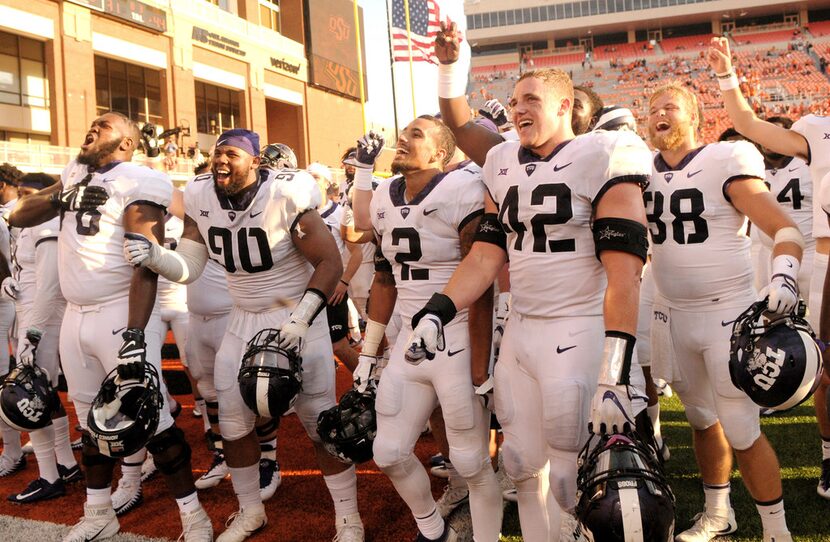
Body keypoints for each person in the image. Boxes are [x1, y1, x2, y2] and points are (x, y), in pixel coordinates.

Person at [409, 22, 652, 541]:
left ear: (565, 107)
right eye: (514, 100)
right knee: (520, 464)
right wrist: (439, 309)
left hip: (580, 326)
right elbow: (486, 253)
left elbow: (625, 273)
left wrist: (614, 370)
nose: (518, 108)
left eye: (531, 99)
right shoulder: (500, 161)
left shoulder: (604, 153)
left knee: (570, 476)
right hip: (522, 329)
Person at [123, 128, 365, 542]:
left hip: (296, 316)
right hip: (243, 319)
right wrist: (158, 257)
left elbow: (329, 262)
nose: (220, 160)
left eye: (231, 154)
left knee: (318, 420)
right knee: (232, 423)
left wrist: (303, 317)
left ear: (255, 162)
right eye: (217, 153)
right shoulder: (200, 194)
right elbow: (192, 266)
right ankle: (251, 510)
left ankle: (348, 517)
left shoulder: (285, 194)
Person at [9, 111, 212, 541]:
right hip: (76, 314)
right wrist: (63, 192)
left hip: (121, 312)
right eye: (93, 121)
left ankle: (193, 516)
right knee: (89, 423)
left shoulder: (138, 179)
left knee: (151, 419)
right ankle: (98, 511)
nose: (92, 125)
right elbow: (19, 214)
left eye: (104, 124)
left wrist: (137, 335)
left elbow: (145, 262)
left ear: (125, 143)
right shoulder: (75, 173)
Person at [645, 83, 800, 542]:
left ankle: (777, 530)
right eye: (652, 108)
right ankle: (718, 513)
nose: (659, 114)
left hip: (727, 314)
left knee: (741, 427)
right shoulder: (637, 170)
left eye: (670, 107)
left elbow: (784, 227)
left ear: (695, 117)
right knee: (698, 417)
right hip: (673, 313)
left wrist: (786, 273)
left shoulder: (723, 160)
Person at [355, 115, 501, 542]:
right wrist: (369, 352)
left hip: (455, 333)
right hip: (409, 341)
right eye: (402, 133)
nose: (401, 139)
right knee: (389, 451)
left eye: (414, 135)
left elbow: (482, 280)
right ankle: (434, 531)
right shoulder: (384, 194)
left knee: (472, 461)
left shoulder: (462, 191)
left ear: (440, 151)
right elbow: (384, 280)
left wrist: (480, 363)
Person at [707, 36, 830, 501]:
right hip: (823, 260)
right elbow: (746, 123)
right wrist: (726, 77)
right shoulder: (818, 130)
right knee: (828, 367)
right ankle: (829, 455)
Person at [4, 172, 82, 503]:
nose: (24, 200)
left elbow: (49, 283)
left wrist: (32, 333)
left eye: (28, 193)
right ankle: (64, 463)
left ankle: (49, 476)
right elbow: (28, 271)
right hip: (31, 311)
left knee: (29, 392)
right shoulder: (24, 225)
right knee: (45, 394)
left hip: (42, 316)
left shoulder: (46, 222)